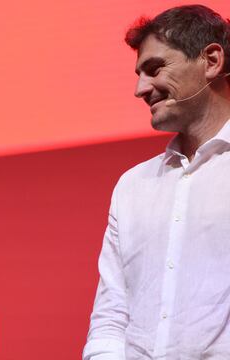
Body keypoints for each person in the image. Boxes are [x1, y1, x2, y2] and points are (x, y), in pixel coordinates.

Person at [84, 5, 230, 359]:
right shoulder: (133, 186)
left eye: (154, 68)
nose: (140, 89)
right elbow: (111, 315)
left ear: (211, 60)